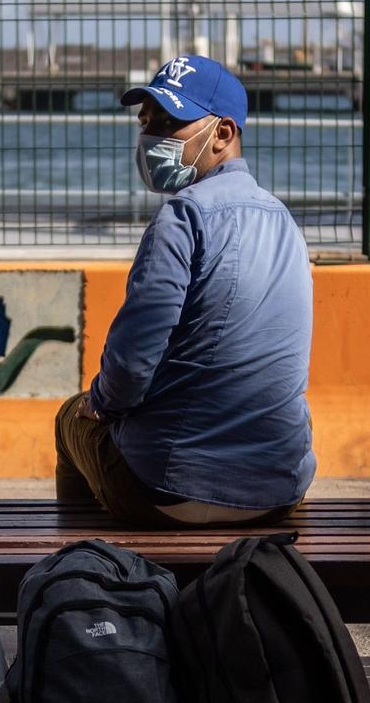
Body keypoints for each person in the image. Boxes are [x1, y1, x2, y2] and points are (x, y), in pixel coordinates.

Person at [54, 55, 315, 526]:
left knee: (71, 418)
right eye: (146, 121)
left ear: (223, 134)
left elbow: (131, 366)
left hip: (167, 488)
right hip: (280, 489)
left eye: (170, 121)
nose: (150, 136)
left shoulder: (183, 217)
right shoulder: (286, 223)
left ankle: (84, 569)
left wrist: (101, 402)